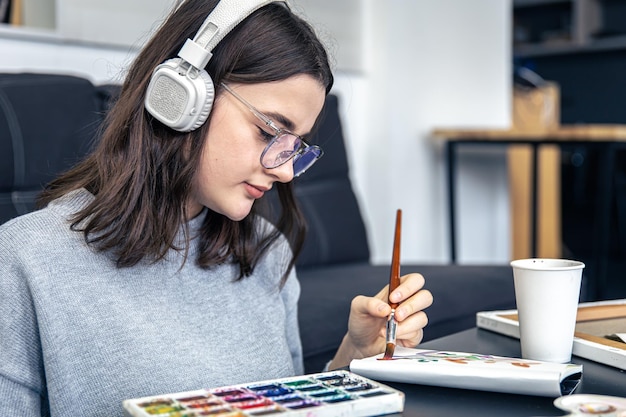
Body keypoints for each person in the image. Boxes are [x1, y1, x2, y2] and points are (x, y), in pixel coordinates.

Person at [0, 0, 433, 416]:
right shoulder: (25, 258)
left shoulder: (267, 249)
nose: (285, 172)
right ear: (181, 96)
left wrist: (352, 356)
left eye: (295, 147)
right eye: (268, 132)